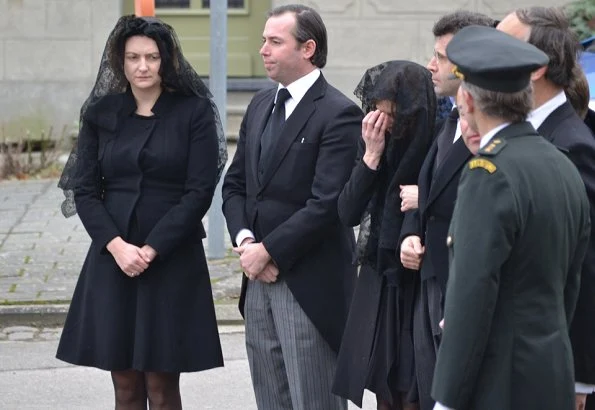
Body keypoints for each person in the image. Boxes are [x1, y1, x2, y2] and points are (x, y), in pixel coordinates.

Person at [56, 16, 226, 409]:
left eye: (151, 57)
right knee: (125, 385)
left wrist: (150, 249)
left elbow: (199, 190)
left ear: (166, 60)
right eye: (133, 57)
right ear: (121, 61)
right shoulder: (101, 112)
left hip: (170, 258)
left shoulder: (194, 111)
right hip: (114, 258)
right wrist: (116, 247)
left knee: (162, 386)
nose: (143, 66)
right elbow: (85, 189)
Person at [431, 25, 591, 410]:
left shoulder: (489, 173)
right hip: (548, 373)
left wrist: (447, 399)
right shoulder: (561, 161)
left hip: (499, 383)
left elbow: (471, 294)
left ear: (466, 99)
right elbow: (569, 286)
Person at [221, 4, 362, 410]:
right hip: (258, 279)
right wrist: (248, 242)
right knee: (271, 399)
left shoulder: (338, 113)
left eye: (274, 41)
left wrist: (269, 251)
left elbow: (327, 204)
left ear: (308, 48)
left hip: (308, 284)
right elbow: (235, 185)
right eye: (263, 39)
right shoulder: (260, 105)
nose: (263, 49)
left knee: (313, 401)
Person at [497, 8, 595, 409]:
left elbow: (584, 266)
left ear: (536, 68)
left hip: (549, 367)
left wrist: (581, 378)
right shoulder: (523, 132)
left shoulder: (571, 145)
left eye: (503, 46)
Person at [397, 11, 495, 410]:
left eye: (440, 56)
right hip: (430, 276)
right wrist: (409, 232)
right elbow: (422, 192)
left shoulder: (489, 128)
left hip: (462, 283)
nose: (430, 66)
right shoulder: (449, 121)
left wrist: (425, 203)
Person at [332, 61, 436, 410]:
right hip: (379, 272)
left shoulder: (434, 141)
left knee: (413, 389)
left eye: (392, 115)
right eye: (377, 111)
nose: (383, 122)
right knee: (384, 389)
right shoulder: (375, 142)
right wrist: (372, 157)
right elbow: (347, 212)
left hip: (418, 280)